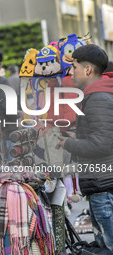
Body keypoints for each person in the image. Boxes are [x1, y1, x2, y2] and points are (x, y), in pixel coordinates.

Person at [58, 44, 113, 251]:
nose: (71, 73)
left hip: (104, 187)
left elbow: (101, 144)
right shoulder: (97, 94)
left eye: (74, 67)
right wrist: (76, 135)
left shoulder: (98, 98)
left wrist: (68, 143)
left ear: (88, 70)